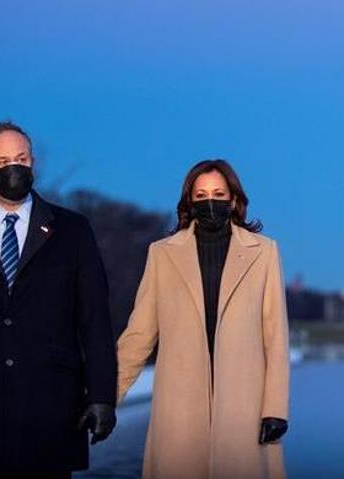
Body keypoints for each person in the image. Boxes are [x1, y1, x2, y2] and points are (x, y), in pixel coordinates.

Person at [116, 159, 290, 478]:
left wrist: (275, 410)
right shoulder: (162, 254)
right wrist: (105, 396)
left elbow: (276, 338)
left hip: (245, 410)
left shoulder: (264, 252)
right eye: (202, 194)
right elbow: (139, 335)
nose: (211, 201)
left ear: (234, 200)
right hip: (178, 409)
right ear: (190, 202)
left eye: (219, 193)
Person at [0, 121, 117, 478]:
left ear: (33, 162)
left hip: (50, 407)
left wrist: (101, 395)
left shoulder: (72, 230)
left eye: (20, 158)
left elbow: (94, 319)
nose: (13, 168)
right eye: (1, 161)